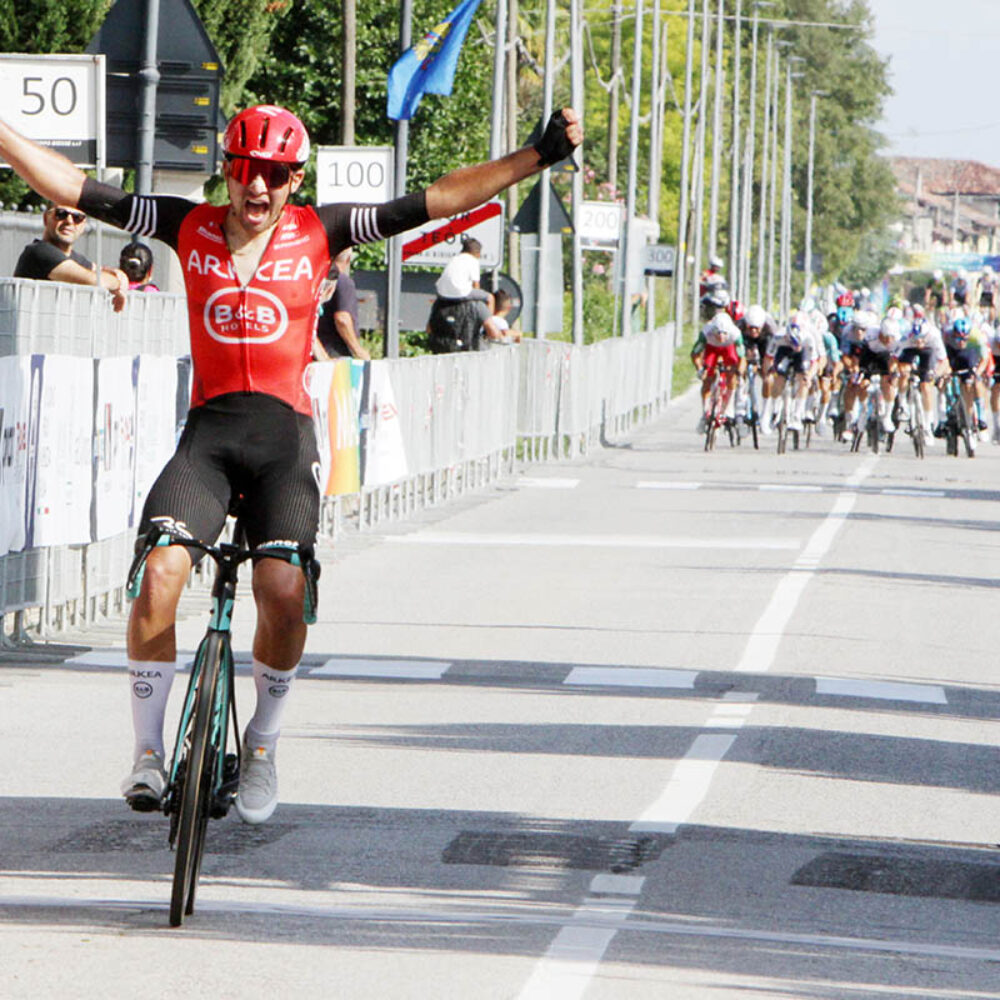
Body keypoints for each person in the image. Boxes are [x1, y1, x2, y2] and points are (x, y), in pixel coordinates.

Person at [0, 102, 582, 823]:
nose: (258, 187)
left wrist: (534, 158)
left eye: (275, 175)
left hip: (285, 444)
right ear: (227, 169)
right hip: (209, 438)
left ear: (295, 178)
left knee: (280, 587)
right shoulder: (189, 225)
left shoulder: (320, 230)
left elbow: (435, 199)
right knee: (159, 571)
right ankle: (148, 754)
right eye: (246, 170)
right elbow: (75, 188)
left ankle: (264, 747)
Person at [13, 201, 128, 311]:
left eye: (77, 217)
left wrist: (118, 274)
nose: (69, 221)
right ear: (45, 219)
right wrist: (117, 283)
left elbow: (101, 270)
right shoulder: (40, 252)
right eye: (61, 214)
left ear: (83, 225)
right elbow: (95, 280)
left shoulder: (74, 259)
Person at [313, 247, 370, 360]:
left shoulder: (315, 278)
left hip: (315, 350)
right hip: (334, 351)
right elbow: (342, 319)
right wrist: (359, 351)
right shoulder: (343, 281)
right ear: (348, 259)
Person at [435, 236, 493, 310]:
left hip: (442, 292)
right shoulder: (473, 261)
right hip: (460, 293)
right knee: (490, 298)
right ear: (477, 253)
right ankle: (489, 320)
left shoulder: (454, 259)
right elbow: (476, 285)